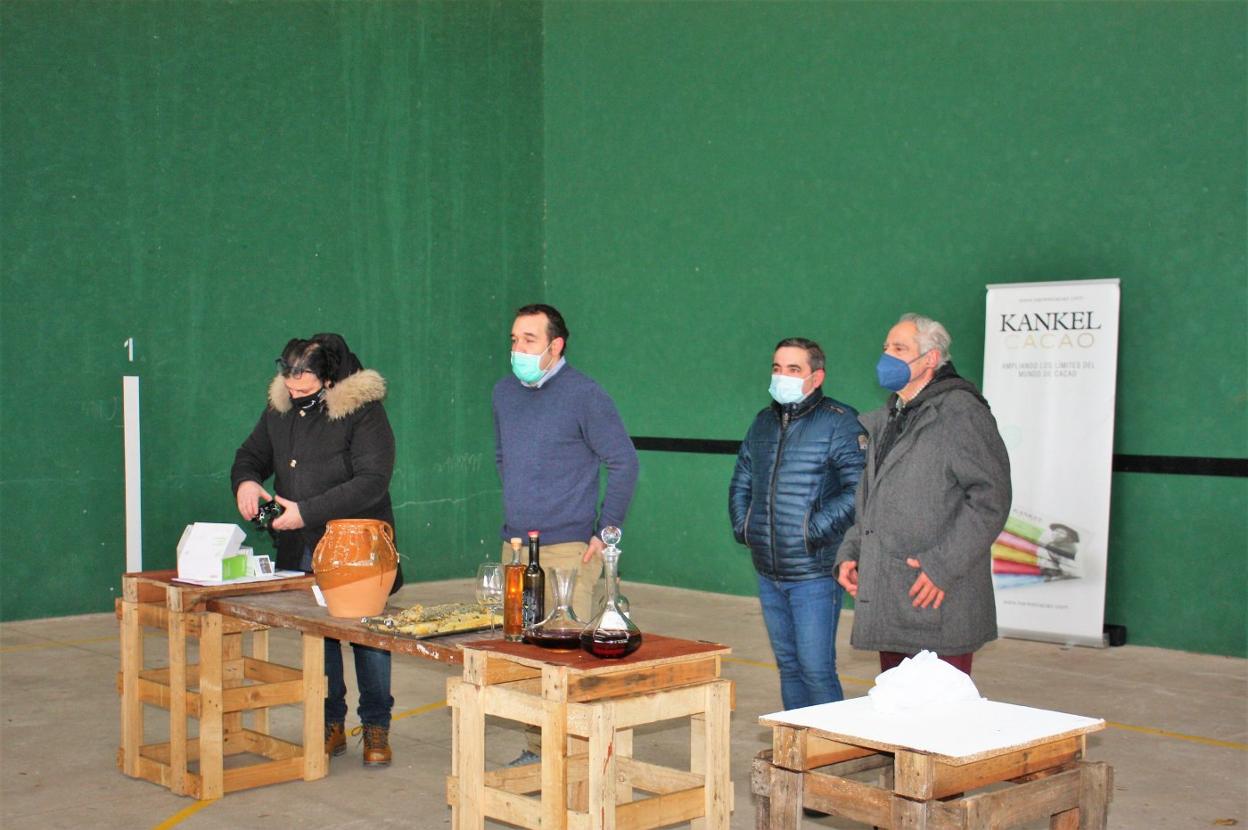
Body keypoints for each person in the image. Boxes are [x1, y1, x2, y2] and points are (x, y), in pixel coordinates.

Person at [231, 333, 401, 767]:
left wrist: (307, 511)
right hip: (302, 548)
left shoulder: (363, 412)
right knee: (319, 641)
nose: (294, 393)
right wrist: (247, 482)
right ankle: (331, 724)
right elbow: (251, 454)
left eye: (304, 388)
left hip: (357, 549)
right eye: (289, 385)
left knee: (368, 640)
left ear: (328, 379)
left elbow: (372, 481)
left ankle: (377, 727)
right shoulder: (280, 408)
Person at [493, 303, 639, 763]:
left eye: (529, 340)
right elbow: (504, 458)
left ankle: (574, 762)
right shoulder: (502, 393)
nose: (518, 348)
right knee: (523, 658)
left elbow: (624, 462)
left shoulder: (585, 395)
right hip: (516, 547)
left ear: (556, 347)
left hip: (570, 550)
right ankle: (538, 752)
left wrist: (605, 531)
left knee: (565, 661)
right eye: (514, 339)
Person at [835, 313, 1011, 676]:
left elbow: (990, 498)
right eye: (886, 347)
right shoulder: (890, 417)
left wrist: (942, 566)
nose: (887, 356)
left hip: (936, 598)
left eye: (900, 348)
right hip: (890, 596)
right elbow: (871, 498)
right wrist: (852, 551)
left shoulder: (961, 412)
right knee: (897, 713)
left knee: (939, 720)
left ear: (930, 359)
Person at [729, 338, 866, 710]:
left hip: (814, 573)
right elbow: (743, 477)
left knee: (816, 670)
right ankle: (797, 757)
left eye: (793, 369)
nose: (782, 376)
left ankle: (831, 754)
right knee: (789, 668)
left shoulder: (841, 423)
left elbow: (860, 489)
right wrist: (745, 526)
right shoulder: (763, 422)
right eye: (777, 368)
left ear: (816, 377)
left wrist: (811, 531)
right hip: (768, 570)